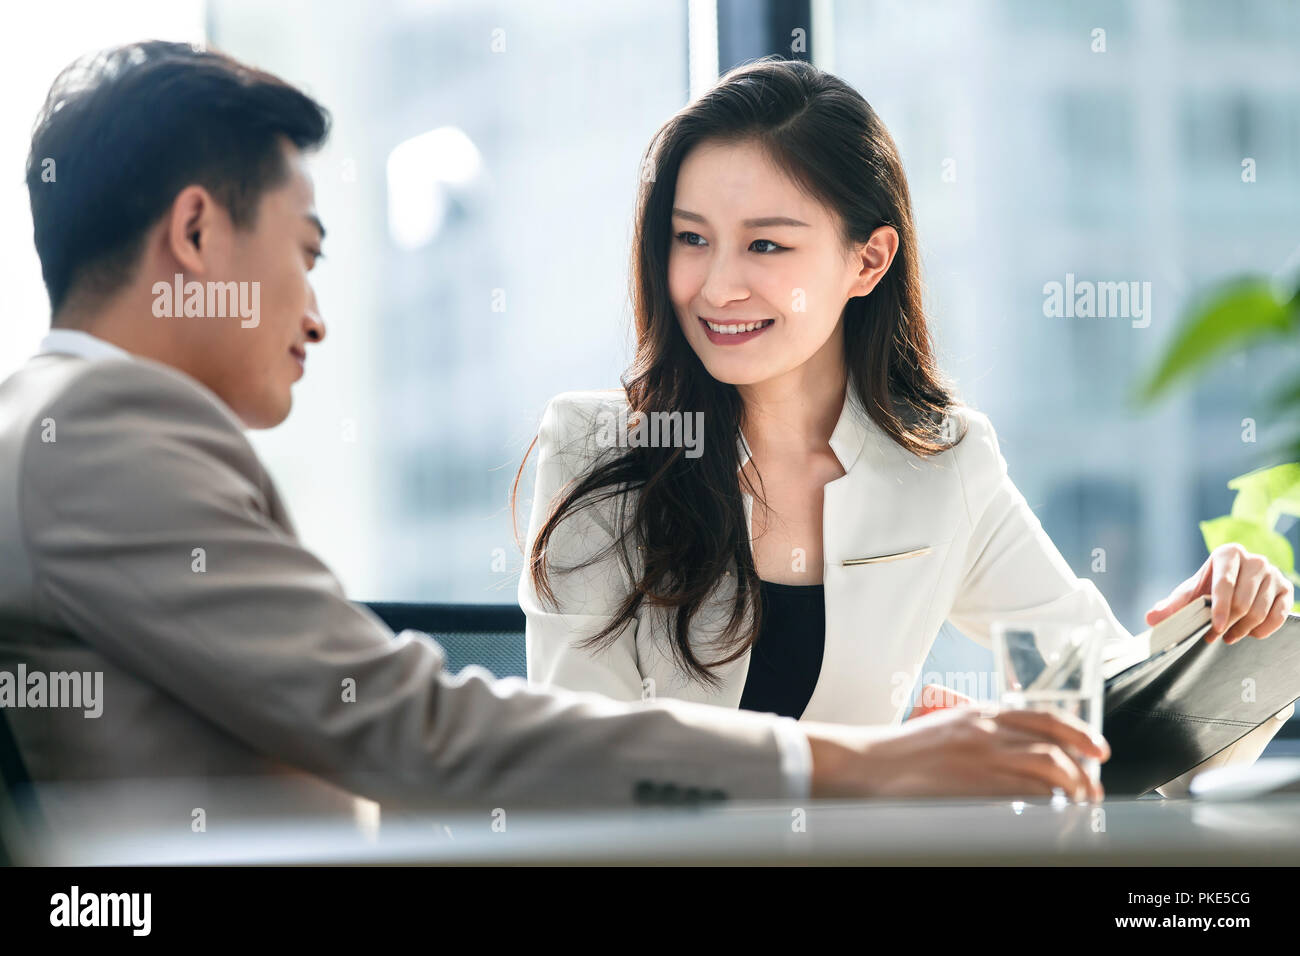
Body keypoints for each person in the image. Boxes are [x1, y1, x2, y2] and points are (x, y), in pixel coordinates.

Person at [0, 42, 1111, 827]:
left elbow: (1096, 671)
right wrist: (867, 764)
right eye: (308, 250)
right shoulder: (100, 434)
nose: (318, 311)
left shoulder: (67, 429)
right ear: (195, 231)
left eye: (767, 245)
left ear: (865, 263)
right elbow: (408, 724)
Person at [516, 57, 1294, 797]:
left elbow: (1108, 722)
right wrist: (897, 762)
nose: (717, 285)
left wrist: (1224, 632)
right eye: (691, 238)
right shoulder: (599, 450)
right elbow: (580, 767)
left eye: (765, 244)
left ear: (869, 261)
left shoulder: (941, 465)